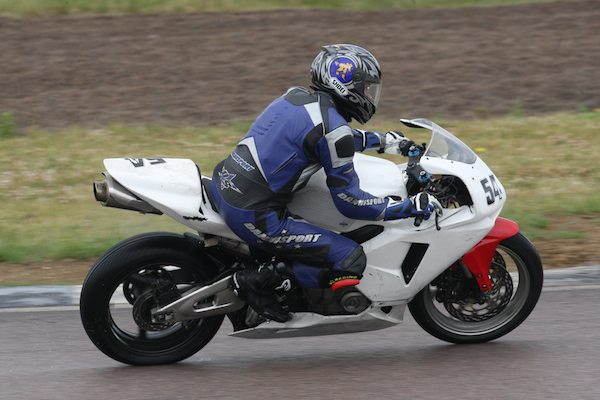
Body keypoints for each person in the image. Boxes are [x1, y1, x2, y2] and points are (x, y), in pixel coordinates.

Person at [211, 44, 438, 323]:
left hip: (226, 183)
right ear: (345, 85)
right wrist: (406, 207)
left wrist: (386, 141)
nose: (370, 95)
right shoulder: (334, 129)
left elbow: (329, 138)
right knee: (350, 258)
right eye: (367, 88)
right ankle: (255, 282)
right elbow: (351, 202)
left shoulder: (297, 98)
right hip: (253, 214)